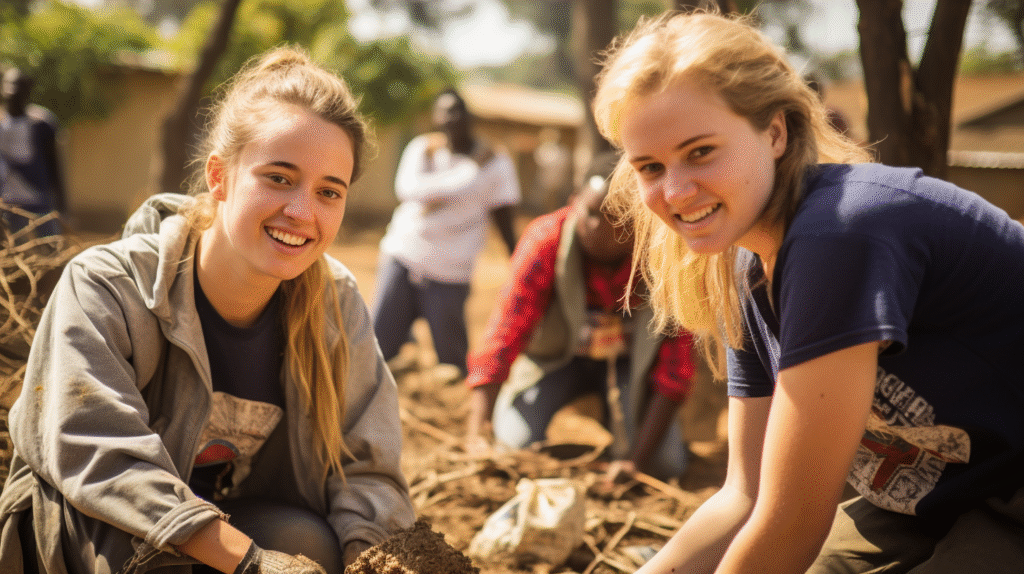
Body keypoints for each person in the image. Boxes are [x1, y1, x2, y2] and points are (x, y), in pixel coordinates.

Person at [592, 10, 1024, 574]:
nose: (674, 190)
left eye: (700, 152)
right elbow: (744, 499)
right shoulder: (748, 266)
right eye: (650, 166)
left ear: (774, 132)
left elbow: (793, 515)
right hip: (928, 495)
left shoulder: (842, 232)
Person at [0, 47, 415, 574]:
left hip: (231, 529)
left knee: (310, 542)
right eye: (279, 178)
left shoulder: (335, 304)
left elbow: (368, 468)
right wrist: (253, 564)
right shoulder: (109, 285)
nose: (302, 212)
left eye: (329, 192)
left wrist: (368, 561)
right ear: (219, 177)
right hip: (96, 532)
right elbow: (97, 452)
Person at [464, 152, 697, 481]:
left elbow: (677, 368)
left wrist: (636, 461)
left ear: (639, 219)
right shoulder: (546, 240)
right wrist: (477, 431)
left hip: (629, 369)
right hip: (556, 362)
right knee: (510, 451)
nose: (596, 229)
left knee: (667, 466)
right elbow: (504, 334)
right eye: (589, 213)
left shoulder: (665, 257)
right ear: (574, 202)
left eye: (615, 219)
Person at [371, 88, 521, 379]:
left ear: (470, 116)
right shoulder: (422, 149)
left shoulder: (496, 163)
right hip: (404, 255)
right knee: (378, 348)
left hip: (451, 271)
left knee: (452, 362)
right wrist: (468, 173)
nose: (453, 117)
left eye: (459, 110)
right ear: (436, 118)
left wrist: (516, 261)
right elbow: (407, 190)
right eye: (446, 111)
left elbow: (503, 216)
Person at [0, 67, 67, 239]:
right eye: (11, 84)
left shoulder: (41, 124)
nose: (14, 90)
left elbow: (55, 165)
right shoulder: (1, 124)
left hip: (38, 203)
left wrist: (63, 206)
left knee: (50, 249)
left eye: (20, 86)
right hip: (6, 206)